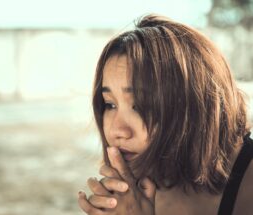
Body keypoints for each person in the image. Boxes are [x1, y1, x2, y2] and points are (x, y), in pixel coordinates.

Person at [77, 14, 252, 215]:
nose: (118, 131)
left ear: (192, 105)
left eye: (141, 106)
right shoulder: (128, 195)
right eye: (110, 104)